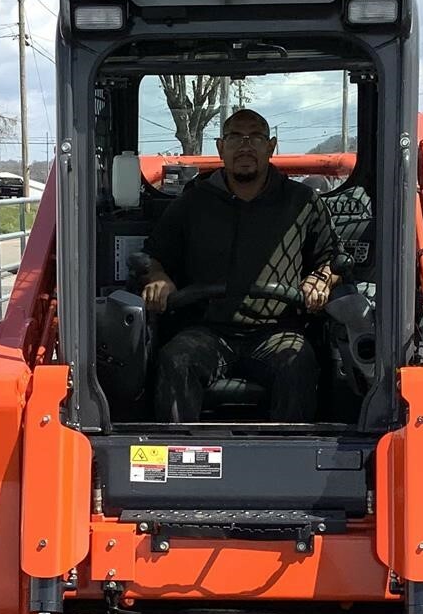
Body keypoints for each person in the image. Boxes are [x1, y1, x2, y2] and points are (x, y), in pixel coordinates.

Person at [138, 108, 338, 422]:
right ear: (220, 147)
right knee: (176, 358)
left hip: (276, 332)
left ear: (271, 146)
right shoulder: (192, 202)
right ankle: (178, 457)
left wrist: (322, 279)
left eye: (255, 137)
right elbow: (154, 256)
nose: (245, 145)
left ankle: (288, 459)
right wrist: (158, 276)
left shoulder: (302, 202)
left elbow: (331, 259)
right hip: (207, 331)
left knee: (297, 360)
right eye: (235, 137)